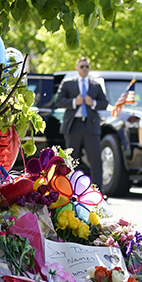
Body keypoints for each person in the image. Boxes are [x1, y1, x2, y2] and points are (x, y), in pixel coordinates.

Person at [55, 57, 110, 189]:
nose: (84, 68)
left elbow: (105, 104)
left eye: (86, 66)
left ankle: (98, 191)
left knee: (96, 159)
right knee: (71, 161)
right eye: (82, 66)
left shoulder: (95, 84)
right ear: (77, 68)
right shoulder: (68, 83)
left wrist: (94, 103)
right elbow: (58, 101)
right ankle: (68, 190)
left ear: (89, 68)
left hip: (91, 126)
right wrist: (75, 102)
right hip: (74, 125)